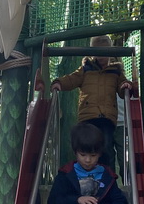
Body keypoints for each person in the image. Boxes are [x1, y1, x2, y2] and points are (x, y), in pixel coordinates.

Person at [50, 35, 131, 168]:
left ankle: (108, 179)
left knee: (106, 149)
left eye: (105, 52)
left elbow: (122, 88)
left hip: (106, 118)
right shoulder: (86, 70)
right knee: (87, 147)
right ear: (93, 53)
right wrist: (59, 83)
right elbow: (72, 79)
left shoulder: (115, 72)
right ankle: (86, 176)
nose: (102, 56)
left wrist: (126, 86)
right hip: (88, 117)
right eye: (98, 52)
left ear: (110, 52)